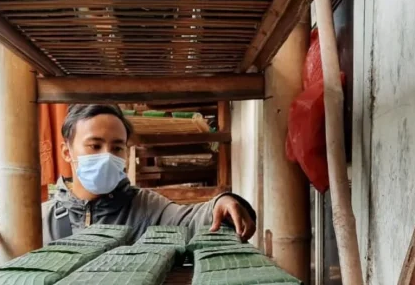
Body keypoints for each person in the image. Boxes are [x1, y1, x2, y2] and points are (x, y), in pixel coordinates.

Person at [42, 104, 257, 243]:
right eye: (95, 146)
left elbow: (189, 220)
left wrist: (221, 203)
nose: (107, 156)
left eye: (117, 148)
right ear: (66, 152)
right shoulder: (43, 219)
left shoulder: (146, 207)